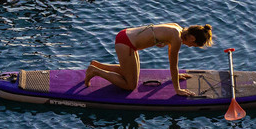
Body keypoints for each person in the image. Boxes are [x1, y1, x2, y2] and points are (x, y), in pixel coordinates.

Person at [84, 23, 214, 96]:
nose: (191, 46)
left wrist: (176, 76)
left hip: (126, 35)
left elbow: (159, 33)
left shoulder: (177, 28)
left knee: (129, 73)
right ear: (192, 39)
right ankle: (95, 71)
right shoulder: (177, 39)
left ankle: (97, 65)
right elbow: (173, 64)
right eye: (194, 45)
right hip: (126, 43)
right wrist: (177, 89)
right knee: (130, 85)